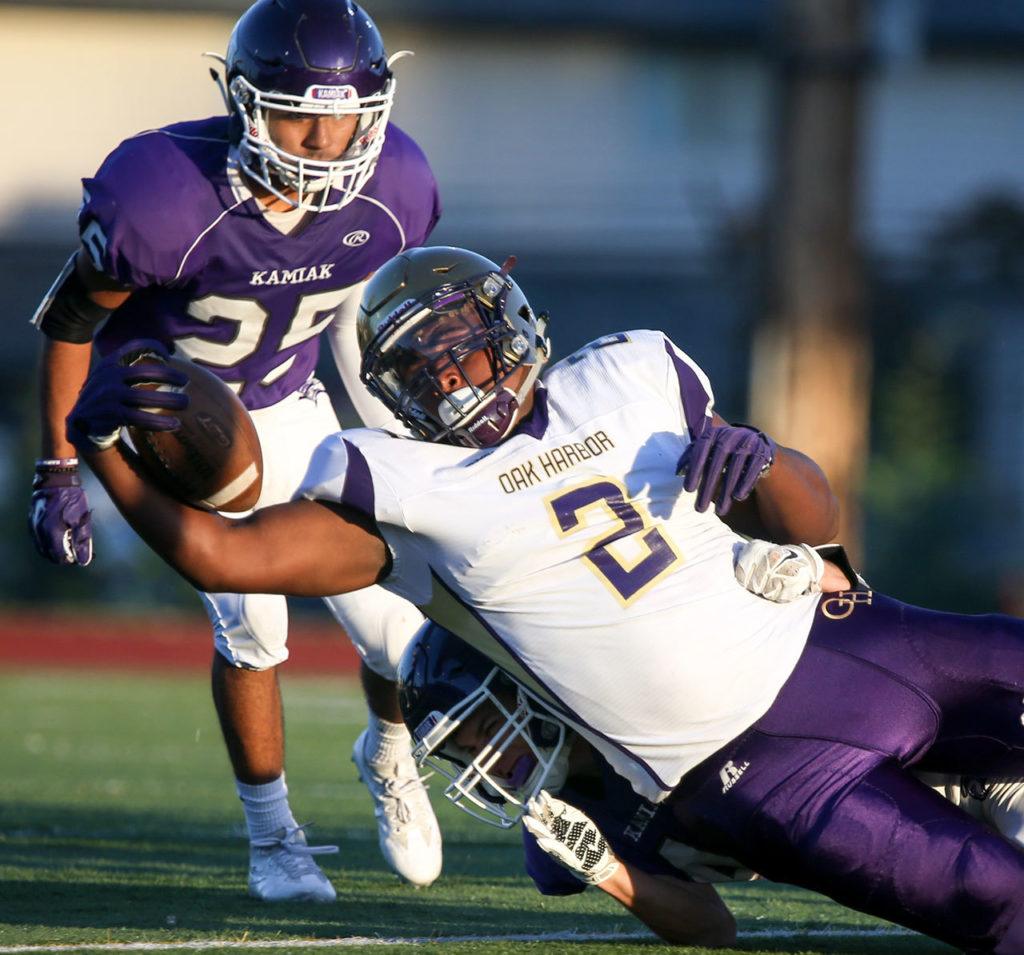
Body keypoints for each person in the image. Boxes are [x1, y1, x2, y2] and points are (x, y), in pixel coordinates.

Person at [65, 245, 1024, 951]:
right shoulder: (404, 491)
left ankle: (979, 776)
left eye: (461, 350)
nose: (450, 375)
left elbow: (814, 519)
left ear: (508, 328)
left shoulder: (630, 374)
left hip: (848, 641)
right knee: (1001, 904)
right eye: (423, 367)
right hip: (751, 774)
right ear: (394, 396)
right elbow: (221, 557)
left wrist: (768, 463)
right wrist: (102, 451)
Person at [28, 0, 444, 901]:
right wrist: (58, 464)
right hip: (180, 423)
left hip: (297, 403)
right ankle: (273, 839)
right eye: (300, 110)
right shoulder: (165, 194)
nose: (326, 139)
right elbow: (66, 322)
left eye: (346, 115)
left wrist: (391, 431)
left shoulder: (395, 185)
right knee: (254, 626)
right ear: (244, 103)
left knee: (401, 627)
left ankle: (391, 754)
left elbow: (356, 307)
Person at [398, 617, 1024, 947]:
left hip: (967, 770)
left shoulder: (649, 688)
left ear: (526, 685)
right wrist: (609, 871)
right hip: (908, 839)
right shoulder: (559, 831)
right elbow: (711, 928)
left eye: (481, 724)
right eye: (460, 750)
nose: (486, 758)